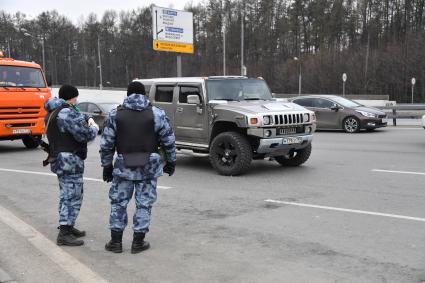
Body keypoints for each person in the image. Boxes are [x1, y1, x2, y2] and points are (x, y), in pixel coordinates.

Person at [100, 81, 176, 254]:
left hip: (123, 166)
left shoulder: (115, 114)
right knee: (144, 204)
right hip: (149, 166)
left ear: (127, 94)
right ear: (144, 94)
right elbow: (169, 141)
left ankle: (116, 242)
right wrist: (171, 162)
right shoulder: (157, 114)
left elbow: (106, 144)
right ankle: (138, 243)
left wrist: (106, 166)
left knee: (118, 203)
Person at [44, 85, 99, 246]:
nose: (77, 100)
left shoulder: (53, 112)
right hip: (70, 160)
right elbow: (85, 135)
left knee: (66, 193)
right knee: (72, 194)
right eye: (76, 97)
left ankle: (67, 225)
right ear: (72, 97)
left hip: (60, 158)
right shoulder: (66, 113)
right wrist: (94, 127)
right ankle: (64, 233)